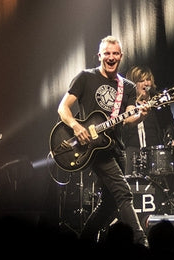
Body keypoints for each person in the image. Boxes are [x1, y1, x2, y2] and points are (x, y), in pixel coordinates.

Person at [57, 35, 150, 246]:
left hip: (117, 148)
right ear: (99, 56)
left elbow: (128, 119)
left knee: (109, 204)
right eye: (107, 53)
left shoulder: (126, 86)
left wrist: (142, 114)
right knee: (124, 194)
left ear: (121, 56)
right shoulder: (85, 77)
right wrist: (76, 126)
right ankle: (142, 244)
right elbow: (63, 108)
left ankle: (85, 241)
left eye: (115, 53)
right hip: (95, 149)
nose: (111, 57)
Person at [122, 66, 174, 178]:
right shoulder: (125, 103)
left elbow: (170, 124)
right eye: (141, 81)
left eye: (148, 80)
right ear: (133, 84)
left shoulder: (159, 102)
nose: (146, 84)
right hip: (130, 151)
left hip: (154, 151)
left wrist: (170, 138)